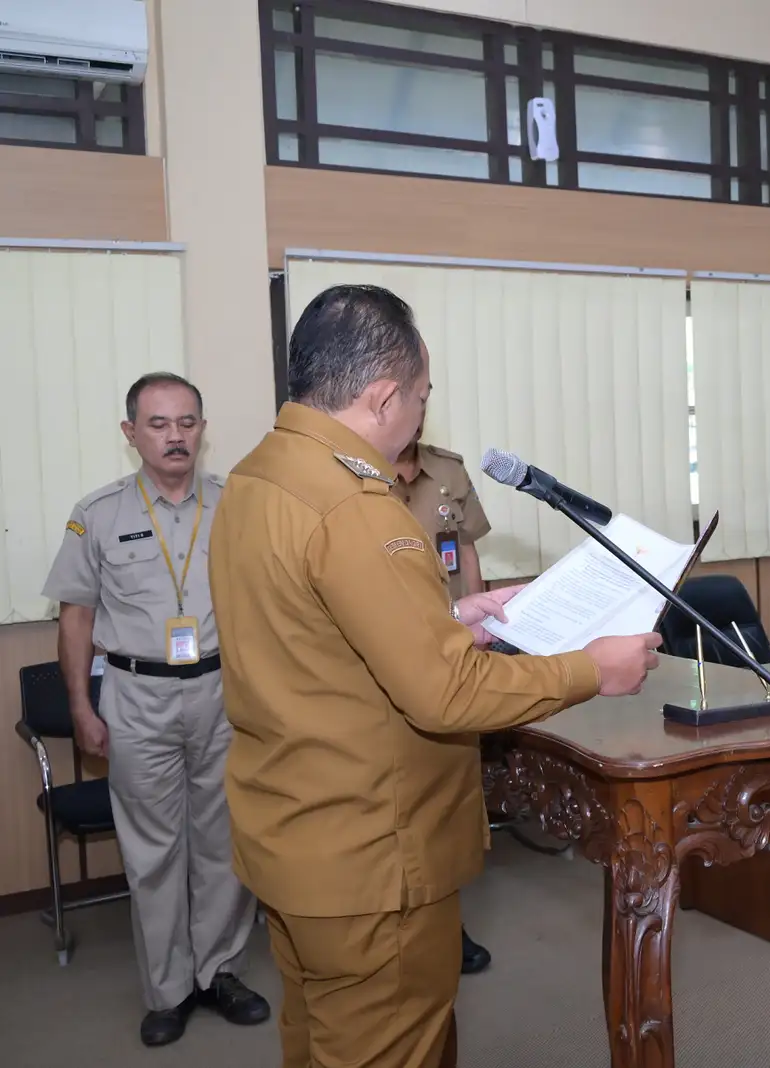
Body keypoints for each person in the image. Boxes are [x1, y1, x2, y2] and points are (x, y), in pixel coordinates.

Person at [210, 284, 663, 1068]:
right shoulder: (355, 506)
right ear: (384, 396)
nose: (422, 413)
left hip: (291, 835)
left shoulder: (259, 477)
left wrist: (447, 619)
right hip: (368, 854)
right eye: (422, 396)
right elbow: (443, 695)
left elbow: (304, 634)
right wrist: (592, 668)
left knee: (318, 1045)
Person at [43, 372, 269, 1047]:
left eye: (188, 422)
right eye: (160, 424)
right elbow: (76, 619)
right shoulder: (100, 513)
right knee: (153, 851)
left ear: (203, 428)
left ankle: (220, 972)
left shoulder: (237, 506)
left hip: (222, 693)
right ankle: (169, 990)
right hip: (136, 696)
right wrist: (82, 706)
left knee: (225, 840)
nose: (176, 436)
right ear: (131, 433)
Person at [392, 423, 495, 975]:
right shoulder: (356, 472)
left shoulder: (448, 470)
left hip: (456, 646)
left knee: (453, 798)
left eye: (425, 396)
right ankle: (403, 927)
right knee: (403, 797)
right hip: (393, 655)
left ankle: (449, 925)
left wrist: (481, 633)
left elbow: (468, 555)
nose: (417, 408)